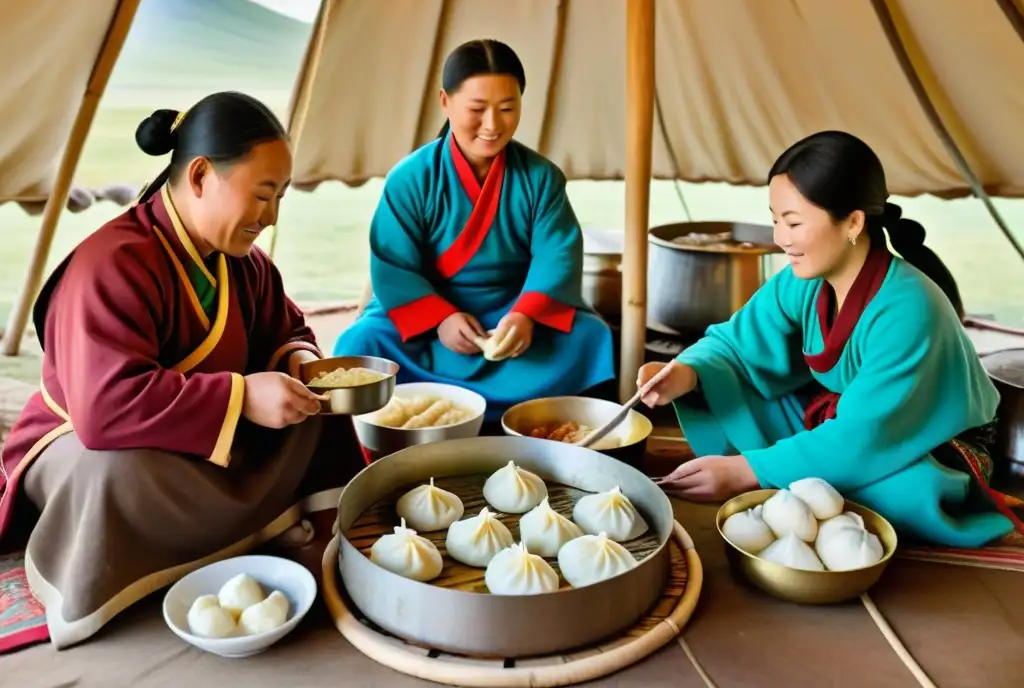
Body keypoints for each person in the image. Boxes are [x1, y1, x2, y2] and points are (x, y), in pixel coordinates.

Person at [0, 92, 364, 648]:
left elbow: (287, 330)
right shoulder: (111, 264)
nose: (269, 218)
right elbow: (104, 409)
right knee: (112, 475)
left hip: (202, 434)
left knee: (314, 408)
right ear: (199, 176)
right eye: (262, 194)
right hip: (92, 442)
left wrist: (298, 362)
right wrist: (242, 398)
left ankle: (259, 530)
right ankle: (226, 536)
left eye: (280, 198)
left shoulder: (245, 266)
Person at [638, 131, 1019, 548]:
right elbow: (733, 344)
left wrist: (746, 471)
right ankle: (794, 468)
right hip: (849, 422)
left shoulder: (909, 308)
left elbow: (867, 434)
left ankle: (791, 470)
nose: (781, 237)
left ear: (853, 222)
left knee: (898, 493)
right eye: (776, 219)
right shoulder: (802, 281)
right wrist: (685, 374)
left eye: (794, 222)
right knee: (725, 387)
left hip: (934, 441)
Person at [334, 39, 615, 418]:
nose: (492, 125)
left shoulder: (541, 178)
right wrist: (440, 318)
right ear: (445, 102)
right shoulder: (411, 178)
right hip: (428, 316)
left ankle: (537, 426)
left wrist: (526, 314)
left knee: (590, 337)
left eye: (507, 109)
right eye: (477, 109)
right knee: (362, 340)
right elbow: (393, 267)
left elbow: (557, 256)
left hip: (512, 313)